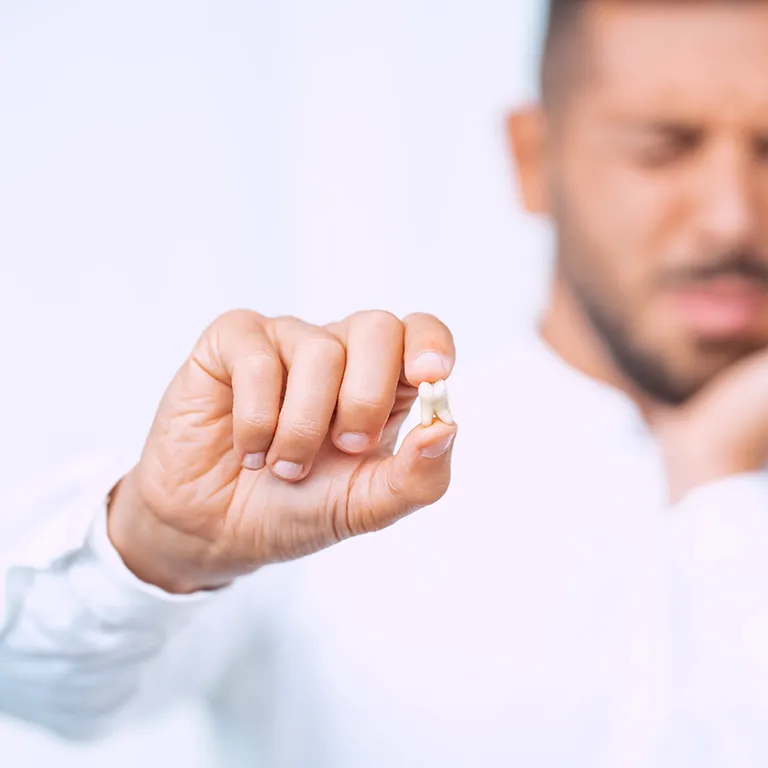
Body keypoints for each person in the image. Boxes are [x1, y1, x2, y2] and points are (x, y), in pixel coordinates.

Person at [4, 0, 768, 764]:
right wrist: (155, 546)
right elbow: (34, 683)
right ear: (534, 159)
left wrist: (719, 487)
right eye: (662, 149)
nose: (732, 220)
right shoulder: (333, 465)